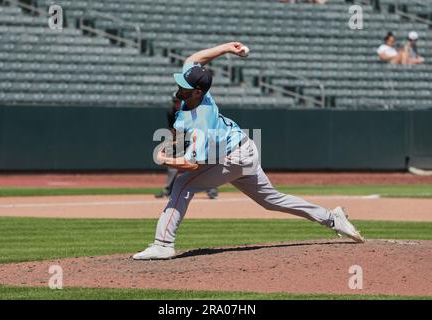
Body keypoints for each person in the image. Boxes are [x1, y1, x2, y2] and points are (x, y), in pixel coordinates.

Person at [133, 42, 364, 260]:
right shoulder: (195, 94)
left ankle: (163, 244)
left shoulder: (202, 120)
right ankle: (332, 218)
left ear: (197, 92)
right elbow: (193, 59)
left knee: (183, 183)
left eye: (184, 86)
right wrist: (227, 48)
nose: (179, 88)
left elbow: (192, 165)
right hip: (243, 150)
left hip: (234, 157)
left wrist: (164, 159)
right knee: (271, 200)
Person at [155, 92, 218, 200]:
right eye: (175, 101)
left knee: (202, 164)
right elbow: (172, 129)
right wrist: (172, 142)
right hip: (181, 137)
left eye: (178, 101)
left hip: (197, 136)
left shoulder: (189, 110)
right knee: (173, 165)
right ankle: (167, 190)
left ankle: (211, 190)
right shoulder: (171, 111)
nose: (176, 104)